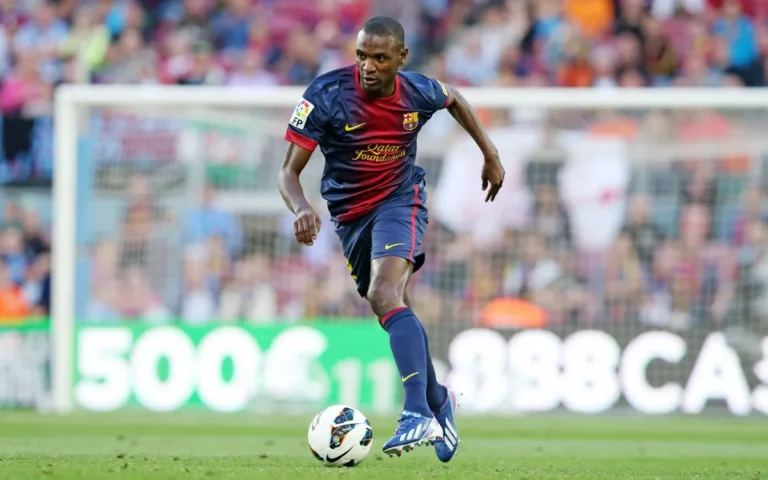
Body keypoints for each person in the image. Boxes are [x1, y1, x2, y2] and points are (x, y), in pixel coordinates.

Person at [278, 16, 505, 461]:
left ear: (401, 58)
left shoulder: (417, 91)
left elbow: (454, 98)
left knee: (384, 292)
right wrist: (302, 207)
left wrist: (489, 152)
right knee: (391, 305)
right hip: (350, 218)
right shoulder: (325, 95)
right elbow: (288, 172)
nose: (368, 66)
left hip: (401, 201)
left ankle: (416, 411)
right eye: (362, 56)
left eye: (380, 58)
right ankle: (439, 399)